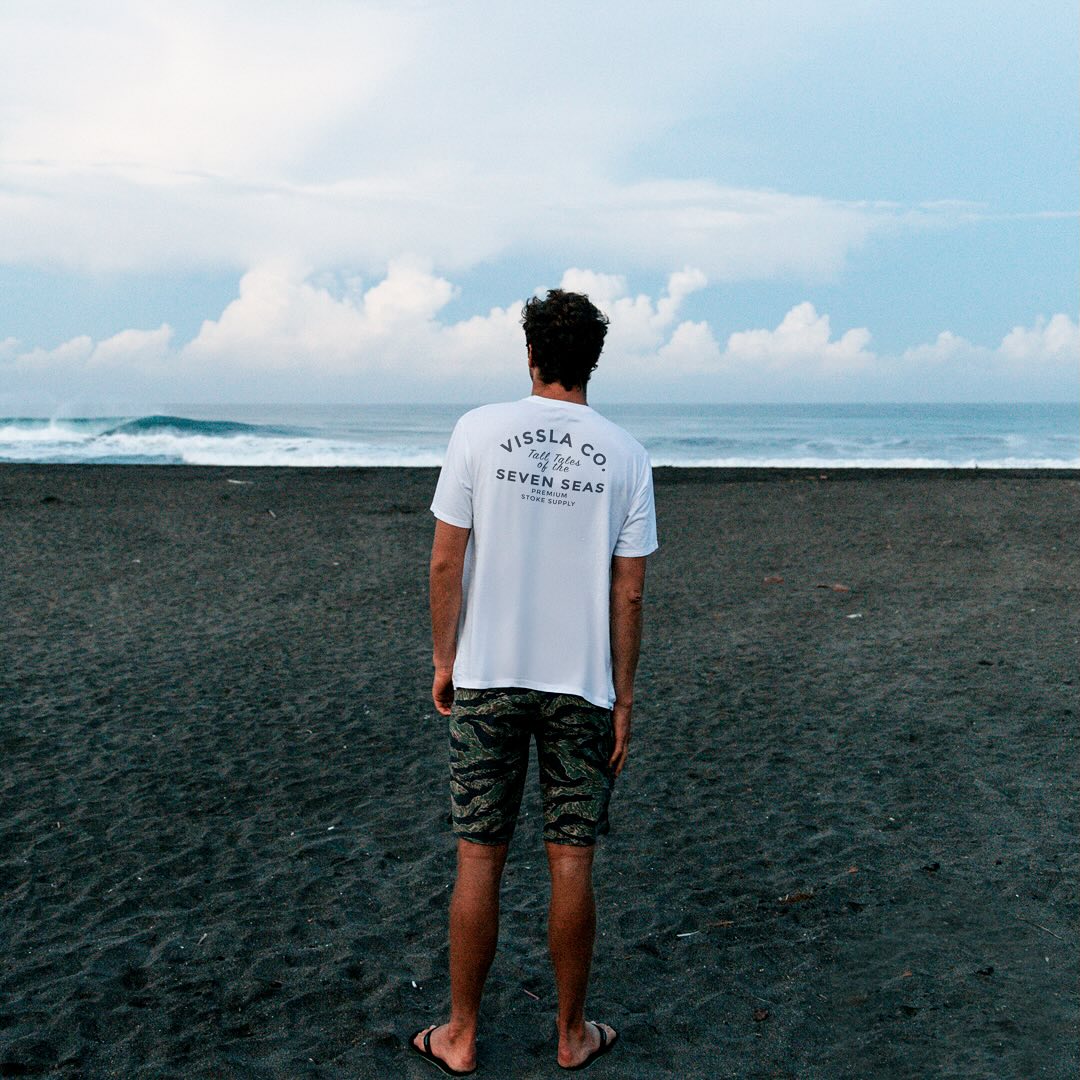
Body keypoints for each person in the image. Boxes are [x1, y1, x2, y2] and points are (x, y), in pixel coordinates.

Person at [412, 289, 658, 1075]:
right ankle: (570, 1034)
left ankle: (460, 1034)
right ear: (593, 360)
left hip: (488, 675)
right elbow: (629, 592)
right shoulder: (626, 454)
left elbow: (448, 557)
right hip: (581, 685)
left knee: (478, 858)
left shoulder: (478, 432)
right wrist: (624, 696)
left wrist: (445, 660)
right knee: (571, 859)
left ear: (529, 355)